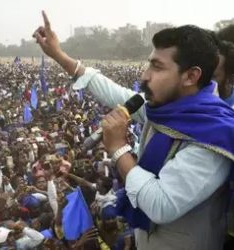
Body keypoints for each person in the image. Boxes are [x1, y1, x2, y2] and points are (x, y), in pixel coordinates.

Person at [33, 11, 234, 249]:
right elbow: (111, 91)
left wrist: (118, 149)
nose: (144, 75)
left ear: (191, 76)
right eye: (149, 64)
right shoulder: (164, 109)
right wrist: (58, 54)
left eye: (157, 67)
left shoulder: (215, 135)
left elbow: (161, 204)